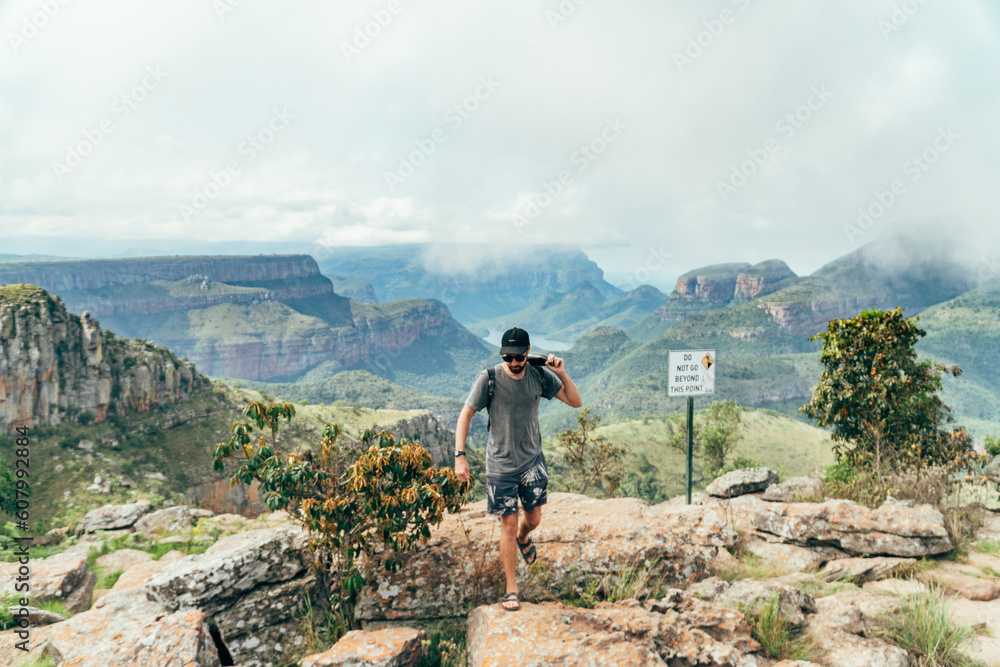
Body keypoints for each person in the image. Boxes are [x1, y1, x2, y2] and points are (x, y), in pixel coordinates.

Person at [454, 327, 582, 612]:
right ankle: (511, 589)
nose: (513, 362)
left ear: (528, 351)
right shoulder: (489, 378)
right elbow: (466, 414)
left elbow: (576, 402)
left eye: (518, 357)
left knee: (533, 520)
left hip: (532, 462)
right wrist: (459, 456)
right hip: (500, 466)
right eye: (507, 357)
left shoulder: (539, 375)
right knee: (508, 525)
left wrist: (561, 373)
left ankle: (525, 536)